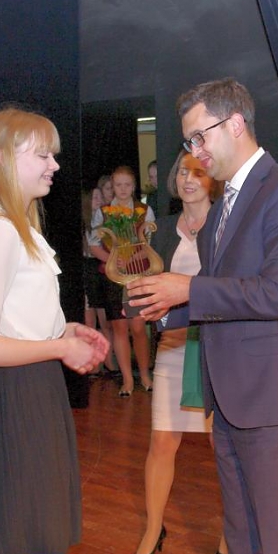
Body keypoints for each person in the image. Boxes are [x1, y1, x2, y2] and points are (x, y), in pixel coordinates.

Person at [127, 78, 278, 554]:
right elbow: (220, 301)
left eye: (200, 137)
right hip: (230, 404)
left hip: (274, 404)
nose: (194, 152)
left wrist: (187, 289)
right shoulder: (222, 210)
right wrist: (161, 308)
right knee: (244, 544)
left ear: (235, 124)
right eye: (188, 141)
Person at [0, 107, 109, 554]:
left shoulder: (20, 227)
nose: (54, 165)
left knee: (23, 546)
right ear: (6, 158)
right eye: (42, 155)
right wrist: (58, 349)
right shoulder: (0, 230)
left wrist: (65, 332)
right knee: (29, 547)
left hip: (31, 390)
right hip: (16, 395)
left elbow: (16, 322)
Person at [131, 150, 228, 554]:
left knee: (222, 447)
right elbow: (144, 285)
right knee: (161, 442)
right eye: (183, 172)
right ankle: (153, 528)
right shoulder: (160, 231)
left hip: (217, 349)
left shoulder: (227, 226)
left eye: (199, 172)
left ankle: (231, 529)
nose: (189, 179)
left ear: (213, 179)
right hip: (172, 348)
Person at [88, 165, 155, 397]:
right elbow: (93, 244)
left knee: (138, 327)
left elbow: (150, 243)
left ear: (134, 186)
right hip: (113, 277)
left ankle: (144, 375)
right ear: (112, 186)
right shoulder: (103, 212)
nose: (123, 189)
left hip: (138, 274)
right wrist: (113, 260)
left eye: (127, 185)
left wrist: (132, 258)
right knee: (119, 327)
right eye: (118, 185)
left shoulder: (144, 210)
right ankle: (127, 379)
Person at [82, 187, 116, 374]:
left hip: (102, 270)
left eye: (101, 197)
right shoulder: (84, 224)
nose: (99, 200)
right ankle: (93, 365)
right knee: (89, 323)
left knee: (106, 322)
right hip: (87, 271)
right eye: (95, 197)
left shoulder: (106, 221)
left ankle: (109, 362)